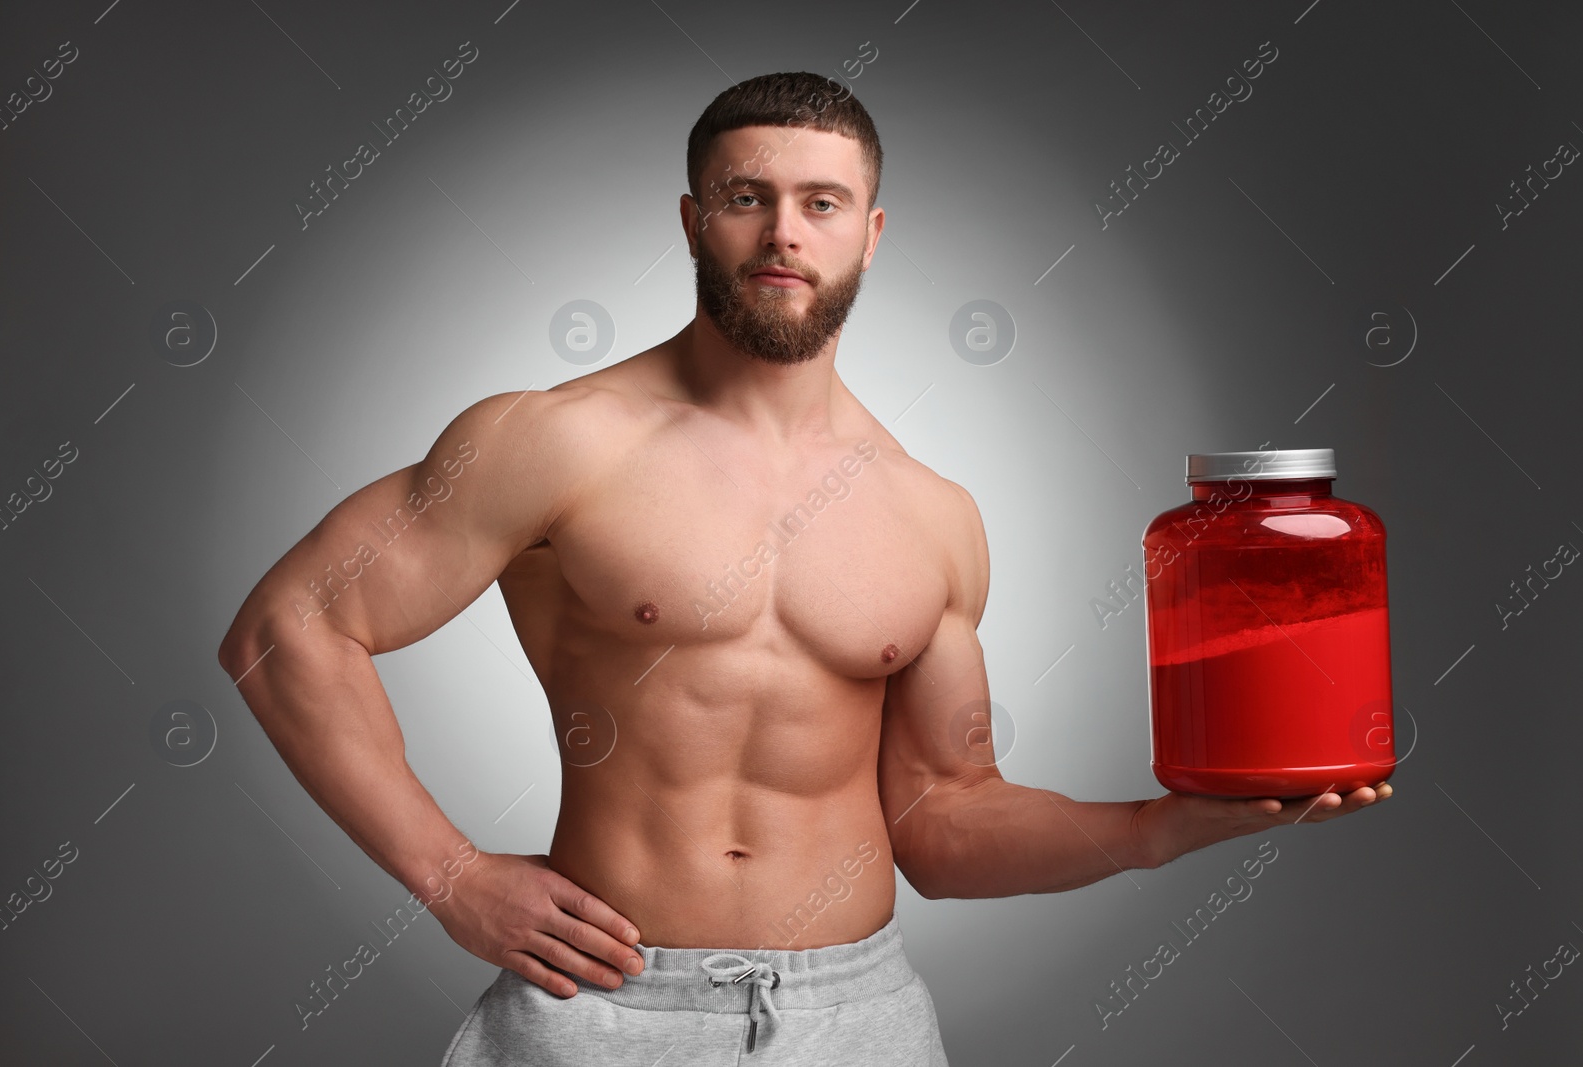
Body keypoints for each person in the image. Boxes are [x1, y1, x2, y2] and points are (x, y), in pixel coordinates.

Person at [217, 70, 1391, 1066]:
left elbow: (945, 822)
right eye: (747, 197)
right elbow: (287, 630)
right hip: (604, 1006)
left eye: (821, 202)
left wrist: (1161, 825)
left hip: (857, 1019)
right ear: (691, 221)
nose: (784, 232)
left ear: (870, 232)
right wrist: (453, 875)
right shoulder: (554, 439)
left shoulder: (933, 514)